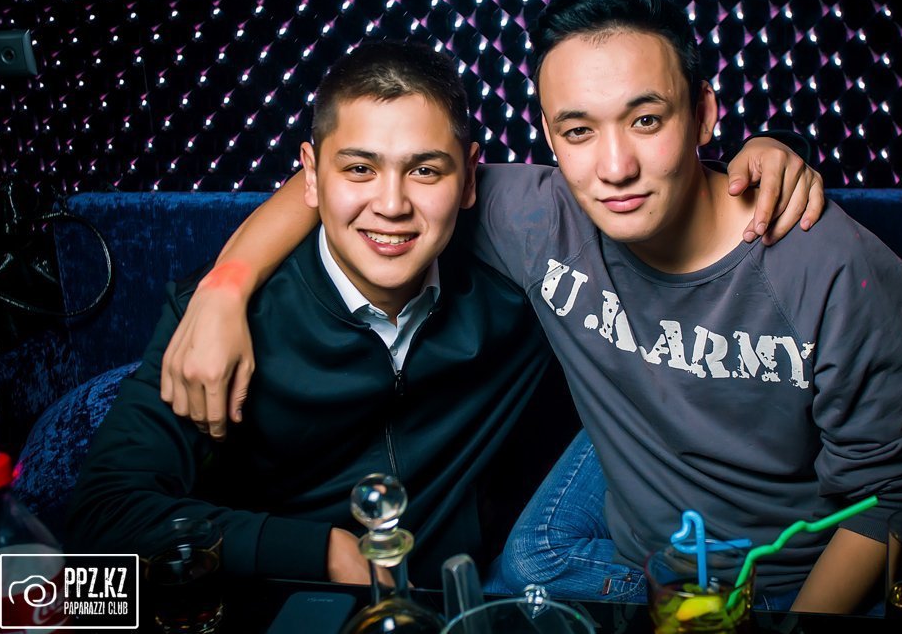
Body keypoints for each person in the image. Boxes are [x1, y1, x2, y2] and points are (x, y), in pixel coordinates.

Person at [159, 0, 902, 614]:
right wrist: (224, 286)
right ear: (550, 137)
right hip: (634, 535)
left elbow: (886, 498)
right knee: (513, 584)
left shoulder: (834, 268)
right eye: (579, 130)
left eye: (646, 119)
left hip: (786, 578)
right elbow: (358, 171)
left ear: (704, 113)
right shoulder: (539, 216)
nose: (615, 165)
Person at [67, 38, 816, 588]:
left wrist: (768, 152)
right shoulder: (219, 320)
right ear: (311, 178)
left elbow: (653, 201)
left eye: (424, 170)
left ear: (468, 180)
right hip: (287, 602)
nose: (391, 204)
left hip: (471, 595)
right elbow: (103, 513)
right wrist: (326, 553)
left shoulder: (526, 282)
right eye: (359, 169)